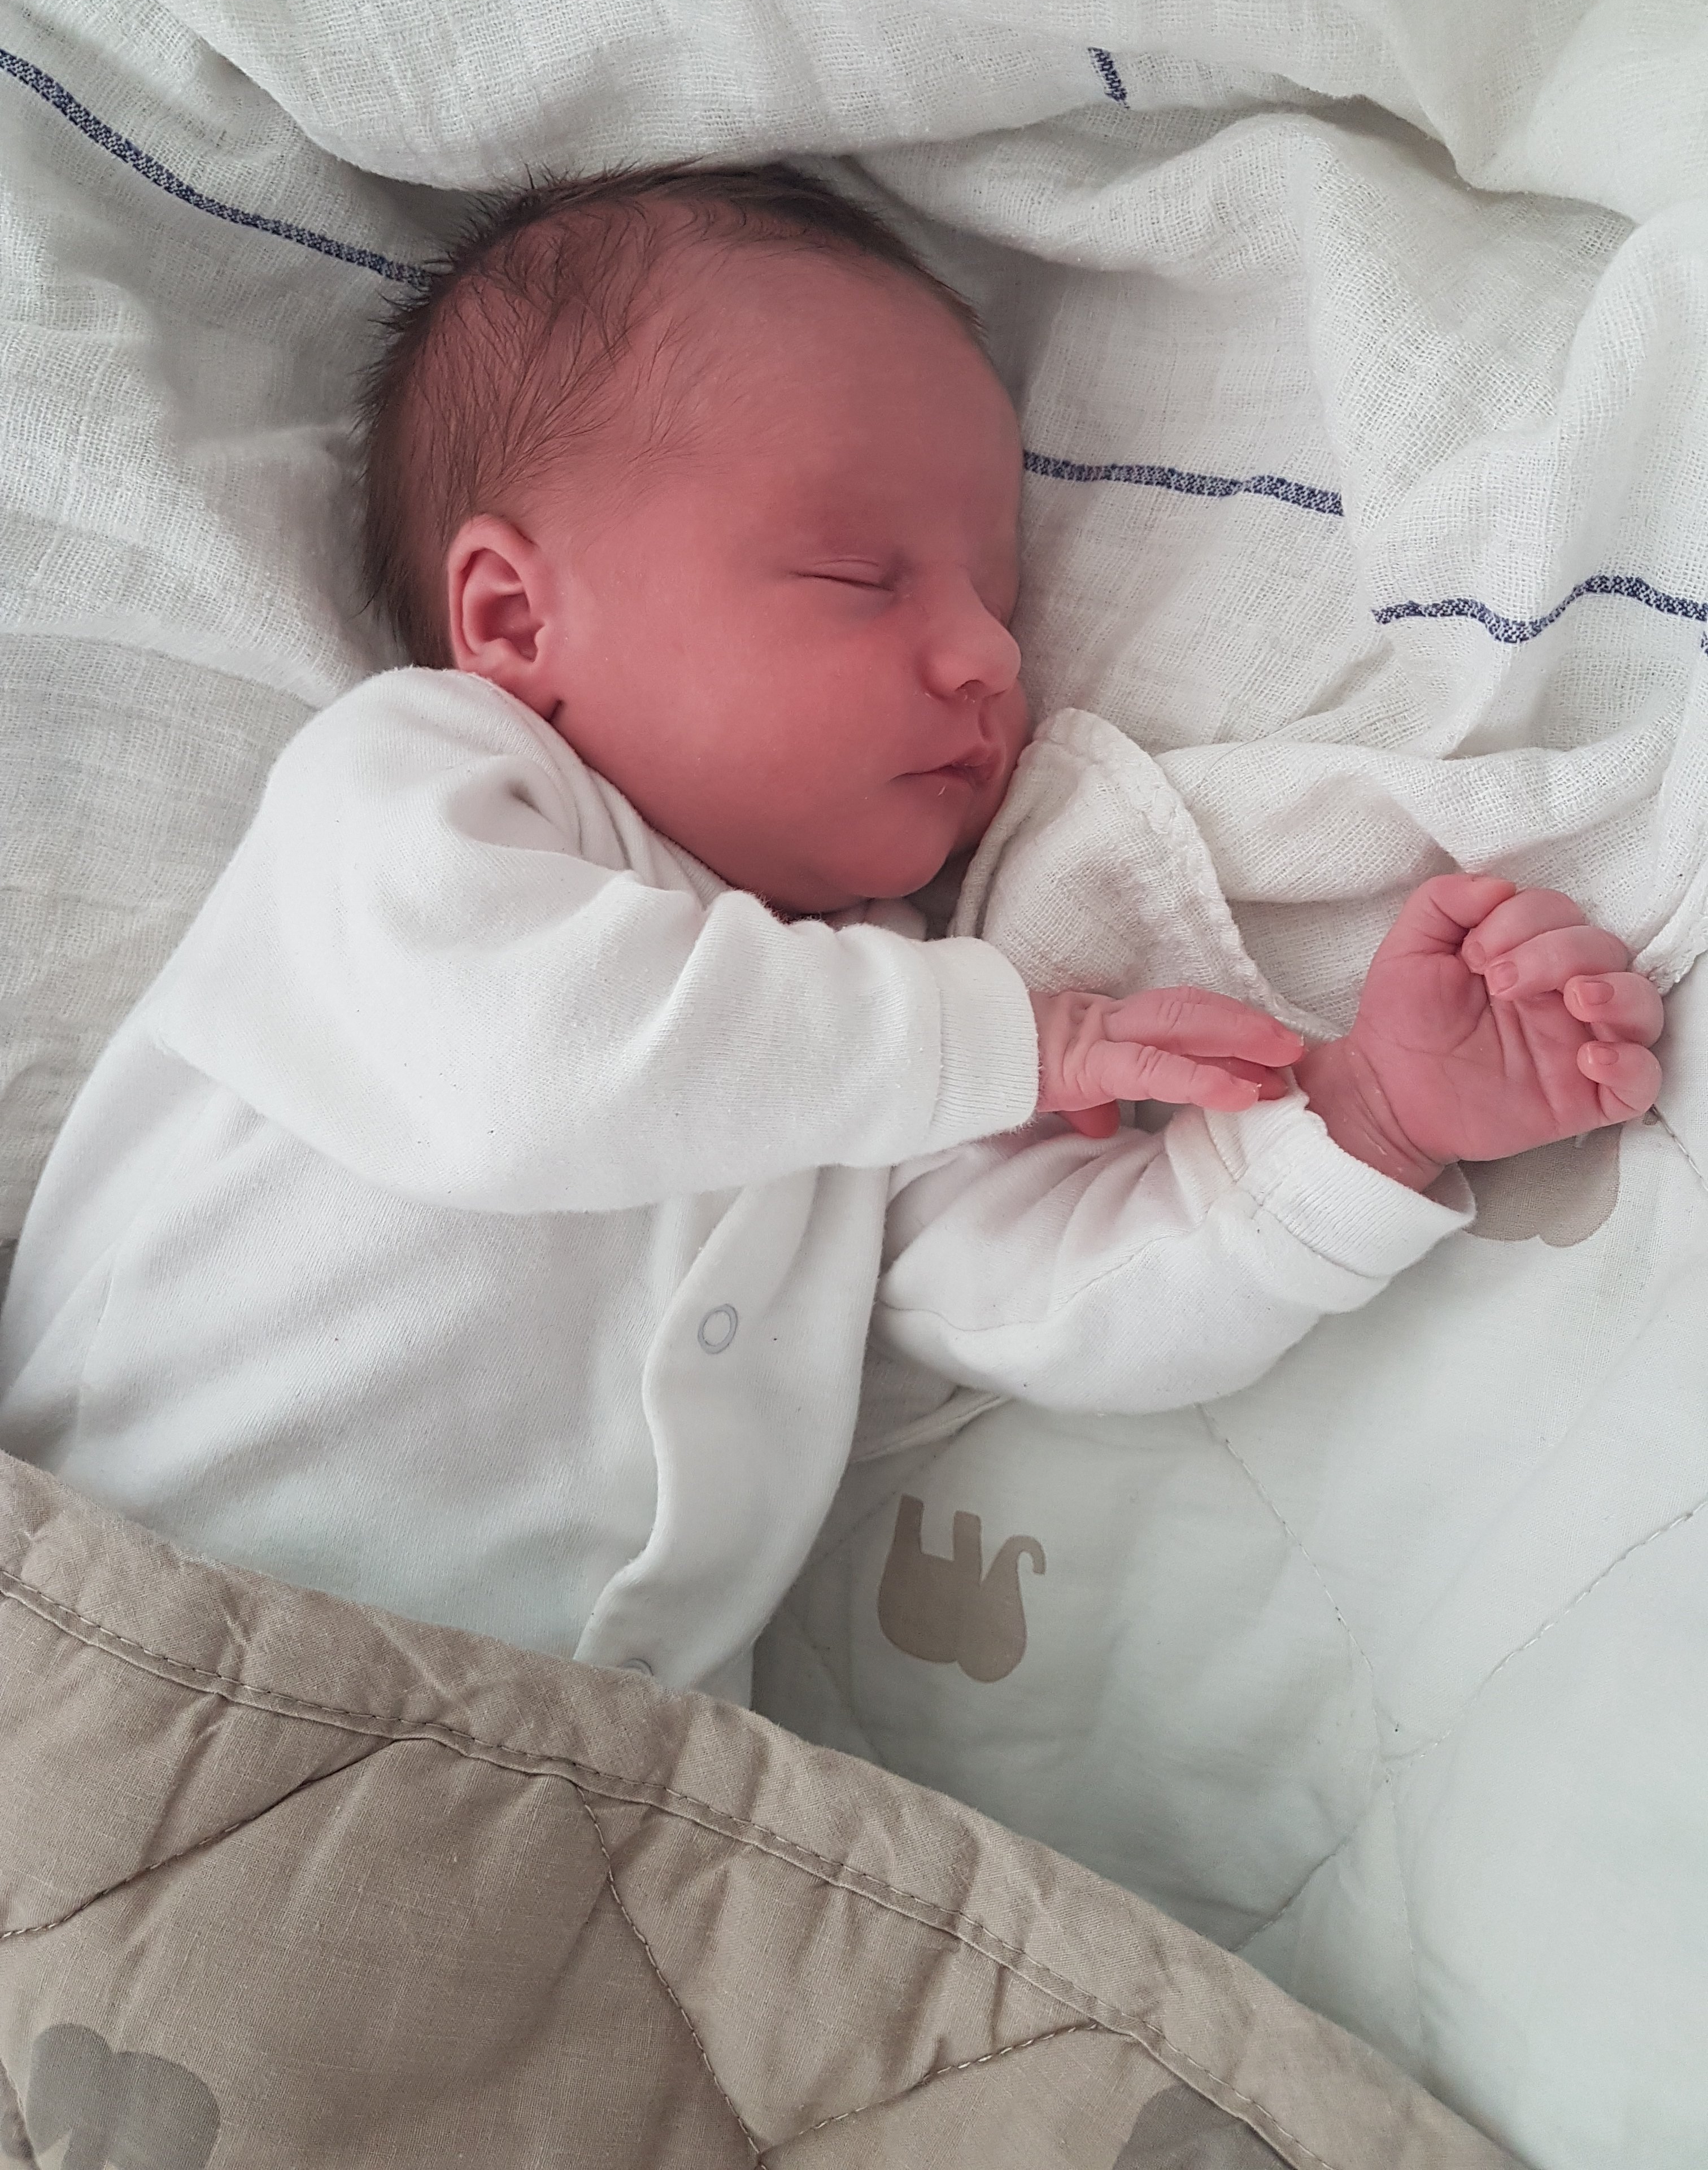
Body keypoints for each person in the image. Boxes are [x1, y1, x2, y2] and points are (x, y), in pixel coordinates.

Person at [0, 164, 1664, 1704]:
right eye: (862, 577)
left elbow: (1046, 1298)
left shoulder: (880, 1002)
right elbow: (527, 1065)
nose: (990, 660)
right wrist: (1026, 1038)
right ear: (511, 619)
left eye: (1000, 603)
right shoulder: (411, 789)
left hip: (588, 1804)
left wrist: (1363, 1131)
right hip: (134, 1665)